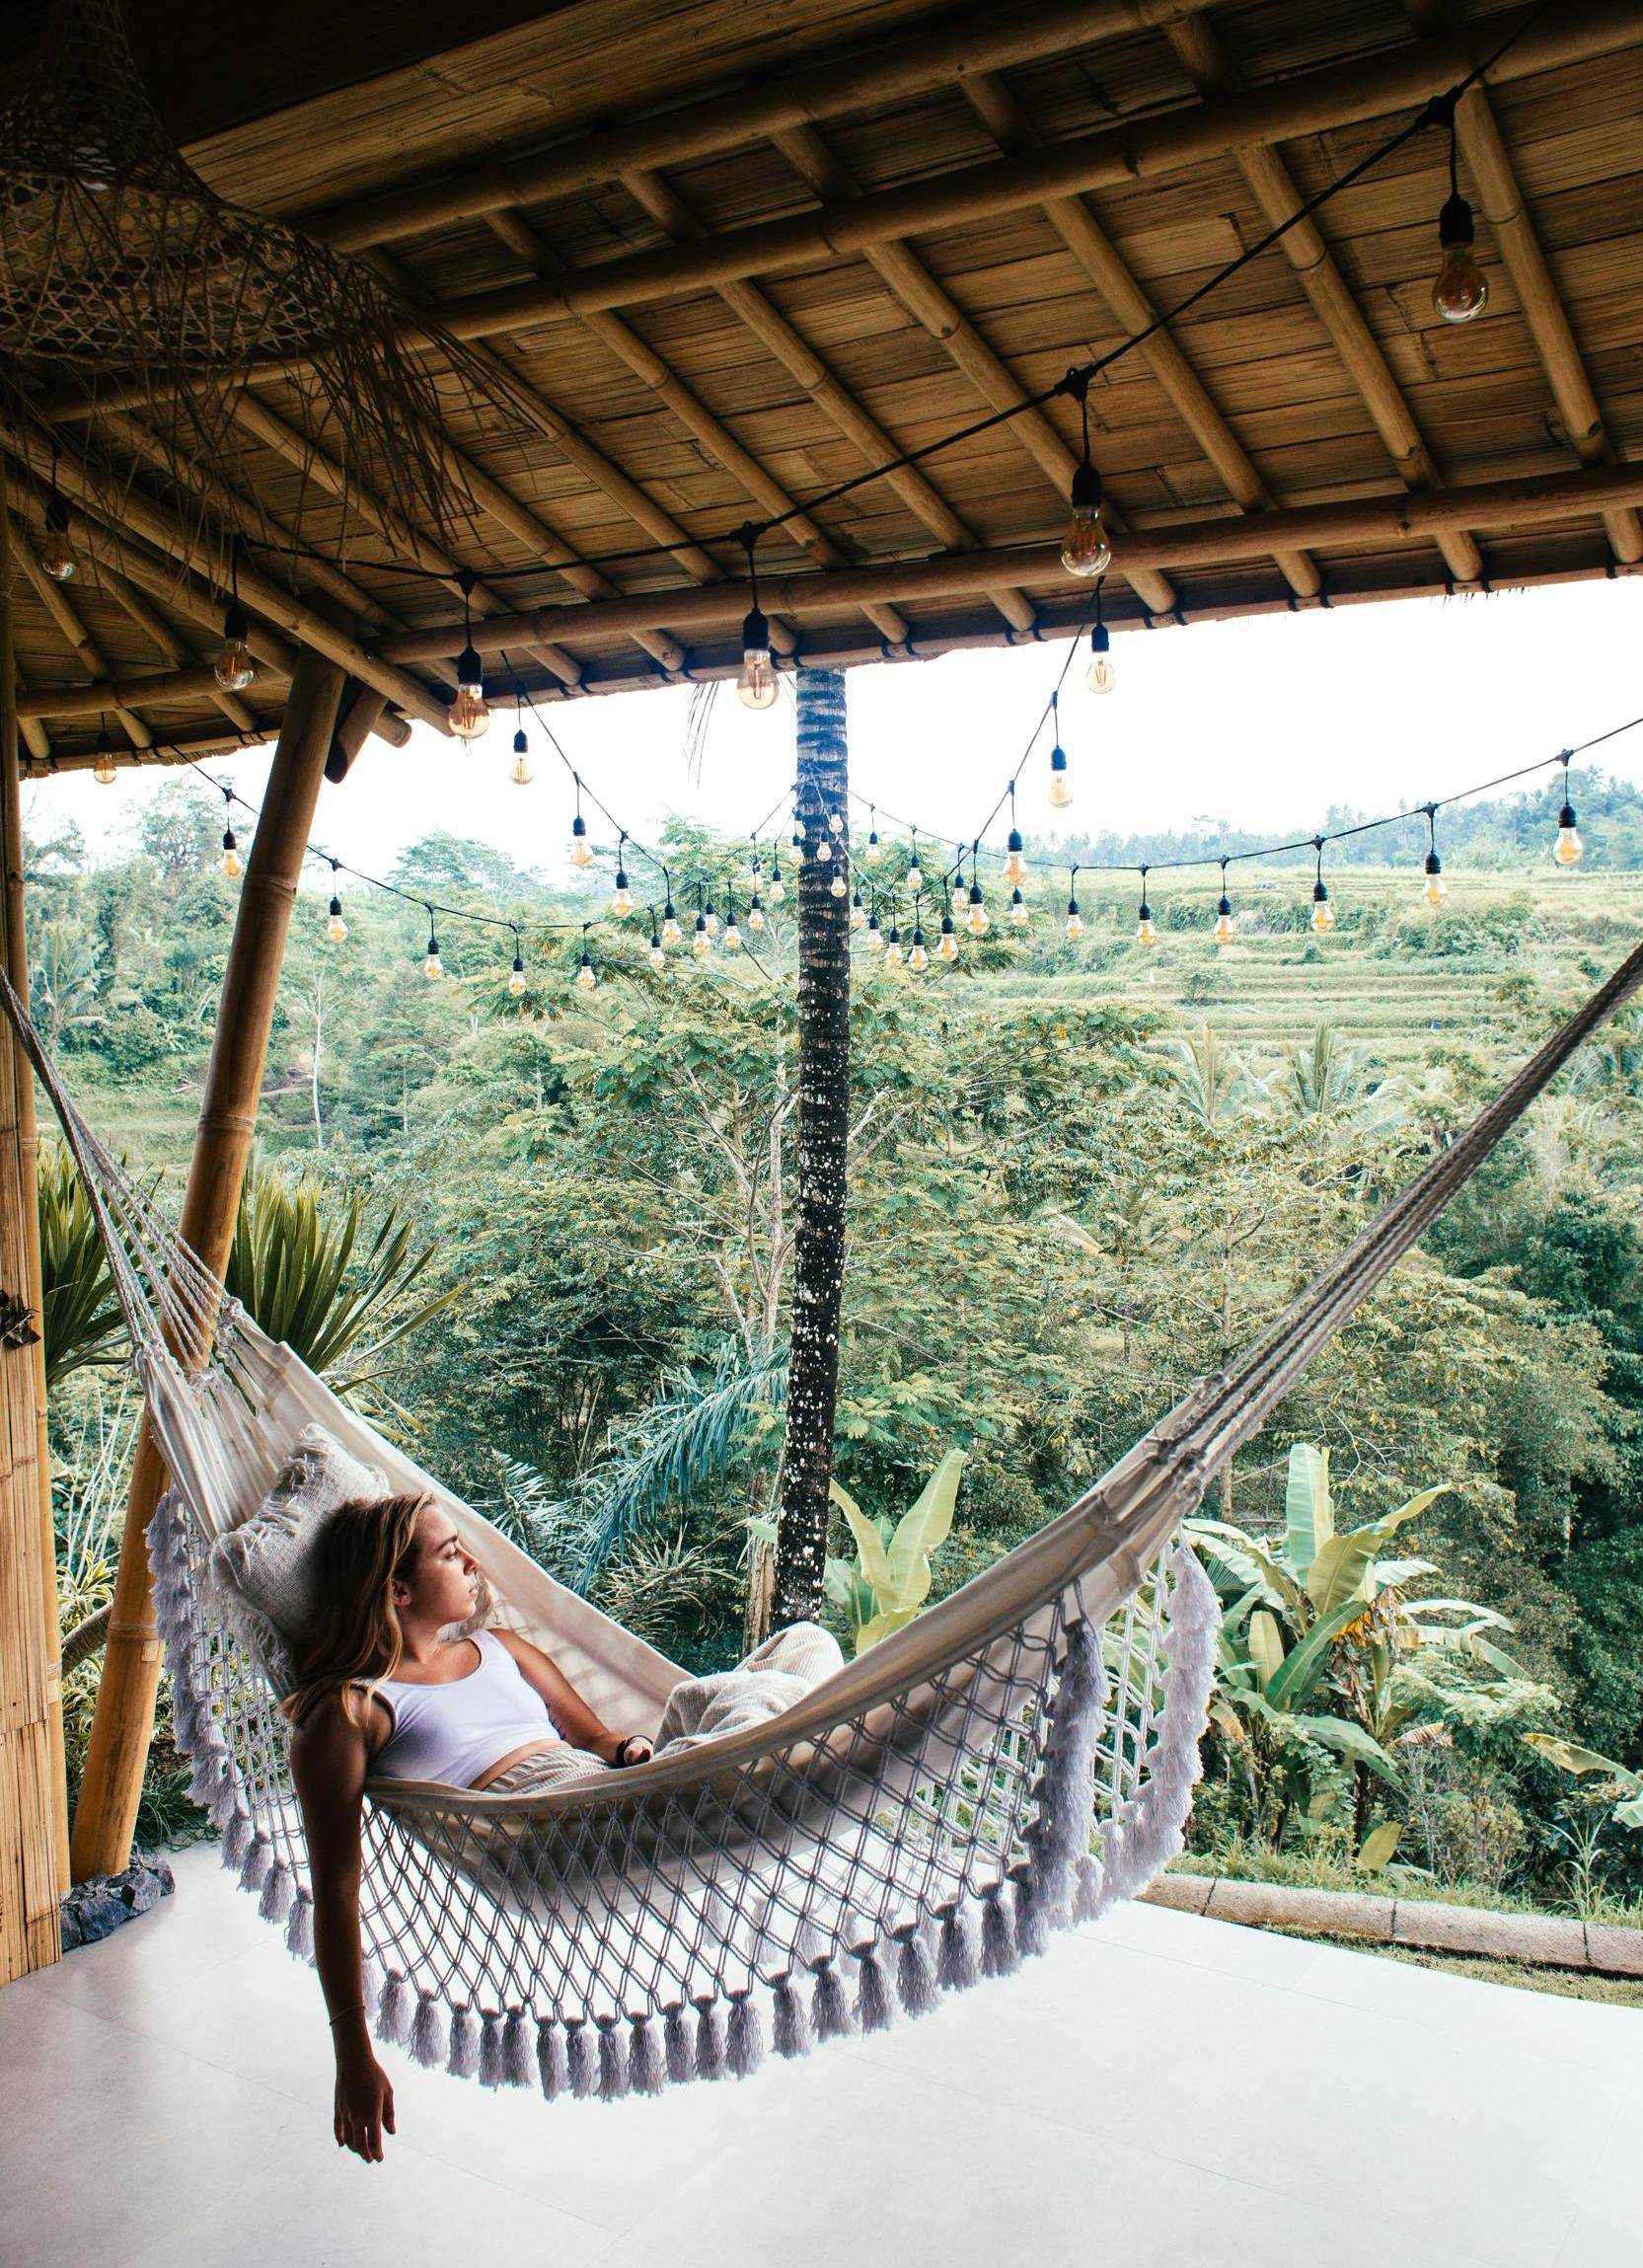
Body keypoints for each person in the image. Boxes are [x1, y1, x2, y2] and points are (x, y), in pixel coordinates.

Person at [283, 1491, 655, 2163]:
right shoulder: (353, 1709)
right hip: (533, 1834)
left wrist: (628, 1752)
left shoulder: (501, 1646)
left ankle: (792, 1753)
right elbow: (336, 1889)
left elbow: (598, 1738)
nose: (472, 1565)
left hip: (599, 1794)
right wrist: (352, 2054)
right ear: (397, 1589)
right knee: (745, 1765)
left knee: (789, 1654)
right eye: (450, 1554)